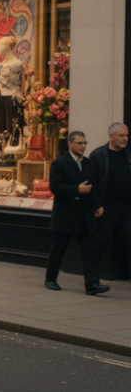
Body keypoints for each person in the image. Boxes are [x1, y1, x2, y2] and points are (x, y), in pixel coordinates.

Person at [45, 130, 109, 295]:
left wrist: (98, 205)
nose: (82, 146)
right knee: (58, 249)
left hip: (85, 215)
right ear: (70, 144)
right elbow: (55, 187)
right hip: (66, 215)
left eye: (84, 143)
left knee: (90, 251)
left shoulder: (88, 163)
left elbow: (92, 187)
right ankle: (50, 278)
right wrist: (76, 189)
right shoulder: (59, 163)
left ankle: (92, 284)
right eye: (79, 143)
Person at [90, 123, 131, 281]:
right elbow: (92, 183)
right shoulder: (98, 155)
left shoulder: (128, 155)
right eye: (121, 135)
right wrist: (97, 205)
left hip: (127, 207)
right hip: (107, 207)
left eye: (126, 135)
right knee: (100, 243)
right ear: (111, 136)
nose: (125, 138)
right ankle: (92, 279)